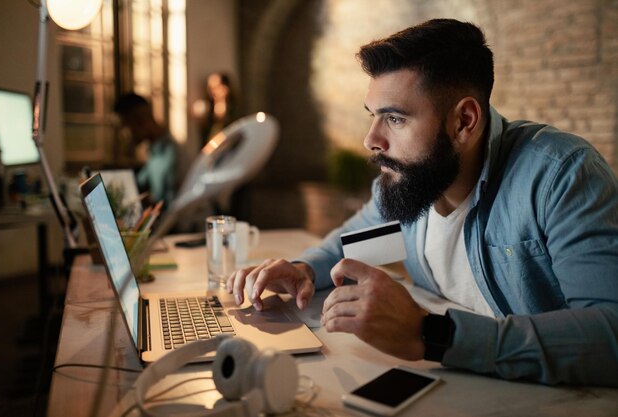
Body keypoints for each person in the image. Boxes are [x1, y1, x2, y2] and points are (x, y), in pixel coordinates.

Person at [227, 18, 618, 387]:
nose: (371, 140)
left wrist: (431, 335)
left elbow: (611, 333)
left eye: (394, 119)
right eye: (373, 116)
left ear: (464, 121)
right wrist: (303, 270)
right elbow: (350, 244)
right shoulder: (411, 188)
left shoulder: (559, 175)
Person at [114, 92, 179, 209]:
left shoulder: (170, 154)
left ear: (139, 120)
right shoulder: (154, 150)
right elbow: (138, 182)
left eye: (126, 126)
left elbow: (167, 206)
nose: (125, 135)